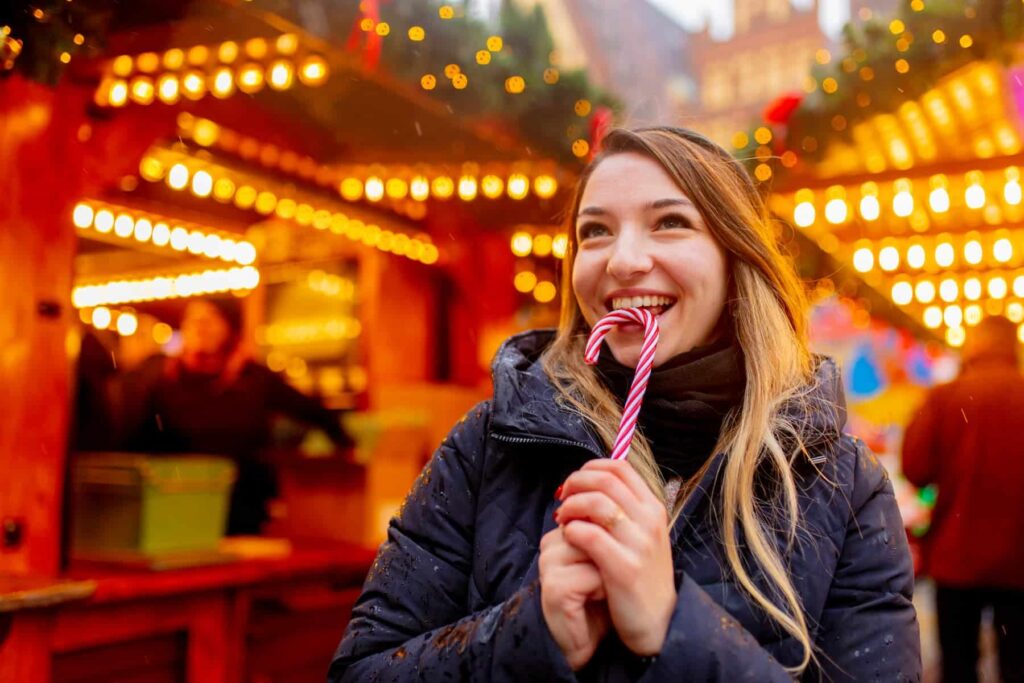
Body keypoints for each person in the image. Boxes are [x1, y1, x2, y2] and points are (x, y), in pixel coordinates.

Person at [328, 127, 921, 681]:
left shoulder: (842, 484)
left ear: (735, 259)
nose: (622, 260)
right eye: (596, 231)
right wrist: (530, 631)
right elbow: (362, 669)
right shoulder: (488, 445)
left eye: (669, 223)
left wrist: (673, 624)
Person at [120, 297, 353, 535]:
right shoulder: (161, 379)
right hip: (177, 504)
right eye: (193, 320)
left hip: (242, 510)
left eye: (210, 320)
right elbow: (135, 439)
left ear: (230, 329)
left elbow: (312, 410)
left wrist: (346, 445)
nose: (200, 327)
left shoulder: (253, 378)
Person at [902, 315, 1024, 683]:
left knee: (958, 666)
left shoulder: (945, 397)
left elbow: (915, 467)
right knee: (1019, 666)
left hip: (956, 556)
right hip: (1020, 560)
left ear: (973, 346)